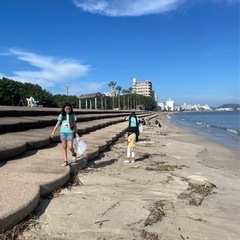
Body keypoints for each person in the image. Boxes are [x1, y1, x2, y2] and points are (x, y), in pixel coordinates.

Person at [51, 102, 79, 166]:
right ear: (64, 109)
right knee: (64, 146)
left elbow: (75, 125)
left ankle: (74, 153)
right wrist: (53, 131)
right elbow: (58, 123)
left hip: (70, 132)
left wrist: (76, 133)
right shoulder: (62, 115)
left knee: (70, 146)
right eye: (66, 109)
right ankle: (65, 160)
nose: (68, 110)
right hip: (63, 132)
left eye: (69, 109)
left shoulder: (73, 115)